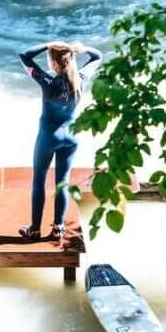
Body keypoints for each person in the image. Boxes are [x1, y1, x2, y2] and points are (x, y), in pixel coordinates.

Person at [18, 41, 103, 241]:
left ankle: (35, 229)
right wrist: (82, 49)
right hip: (71, 138)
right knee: (62, 183)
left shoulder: (47, 82)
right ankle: (59, 227)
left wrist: (48, 44)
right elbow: (98, 56)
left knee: (39, 181)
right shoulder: (81, 78)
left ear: (54, 64)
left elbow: (24, 55)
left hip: (49, 136)